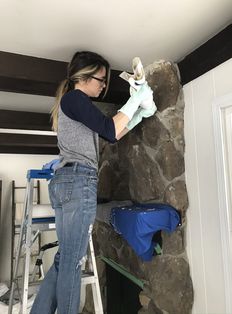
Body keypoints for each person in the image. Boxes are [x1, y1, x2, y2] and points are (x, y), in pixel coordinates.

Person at [30, 51, 156, 314]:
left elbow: (111, 133)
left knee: (66, 258)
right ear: (83, 77)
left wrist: (140, 114)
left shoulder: (75, 104)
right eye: (100, 79)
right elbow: (110, 128)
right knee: (73, 262)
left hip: (67, 182)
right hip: (77, 181)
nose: (103, 85)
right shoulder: (75, 98)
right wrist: (135, 99)